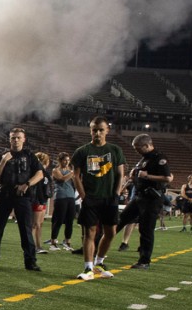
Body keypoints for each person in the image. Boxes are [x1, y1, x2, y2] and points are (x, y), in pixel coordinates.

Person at [70, 116, 127, 280]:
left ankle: (99, 263)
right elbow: (76, 176)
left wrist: (116, 194)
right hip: (91, 198)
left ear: (107, 131)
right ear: (90, 131)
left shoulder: (115, 150)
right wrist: (84, 196)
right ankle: (88, 268)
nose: (97, 133)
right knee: (90, 232)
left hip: (109, 198)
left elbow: (120, 174)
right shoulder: (82, 151)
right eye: (94, 130)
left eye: (101, 130)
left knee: (111, 232)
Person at [0, 127, 43, 271]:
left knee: (26, 230)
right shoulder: (2, 156)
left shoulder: (30, 155)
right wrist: (3, 161)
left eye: (18, 137)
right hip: (5, 195)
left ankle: (30, 262)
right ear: (9, 139)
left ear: (24, 139)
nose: (15, 140)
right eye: (13, 138)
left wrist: (26, 184)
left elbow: (40, 174)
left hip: (23, 197)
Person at [117, 134, 173, 270]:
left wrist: (147, 176)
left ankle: (144, 260)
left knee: (146, 229)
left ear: (147, 145)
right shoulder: (144, 158)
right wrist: (134, 175)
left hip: (152, 198)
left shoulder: (160, 158)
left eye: (138, 148)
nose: (136, 150)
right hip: (139, 196)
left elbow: (167, 178)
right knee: (120, 220)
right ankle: (97, 246)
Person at [48, 153, 77, 250]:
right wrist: (72, 173)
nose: (67, 162)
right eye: (65, 160)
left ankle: (67, 242)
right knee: (59, 220)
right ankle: (53, 242)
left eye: (68, 160)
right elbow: (62, 179)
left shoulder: (69, 171)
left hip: (71, 196)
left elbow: (76, 182)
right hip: (60, 197)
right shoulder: (55, 170)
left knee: (70, 221)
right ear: (60, 161)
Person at [31, 152, 53, 253]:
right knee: (35, 224)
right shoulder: (38, 171)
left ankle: (37, 246)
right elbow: (39, 187)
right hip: (38, 199)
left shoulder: (44, 172)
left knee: (39, 224)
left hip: (42, 200)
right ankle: (33, 246)